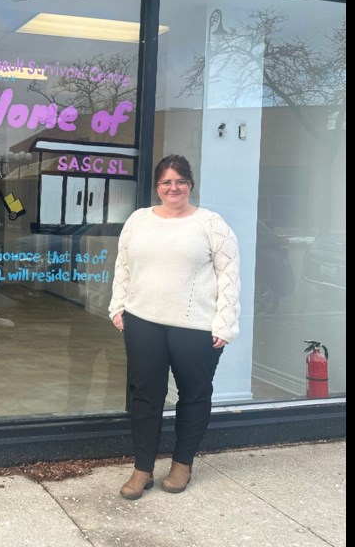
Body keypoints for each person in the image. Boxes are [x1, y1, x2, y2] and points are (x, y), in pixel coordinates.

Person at [108, 154, 240, 500]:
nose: (173, 187)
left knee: (193, 395)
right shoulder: (138, 220)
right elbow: (123, 265)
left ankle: (182, 464)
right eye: (166, 181)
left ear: (190, 185)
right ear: (157, 187)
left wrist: (225, 322)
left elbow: (229, 276)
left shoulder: (211, 224)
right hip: (143, 322)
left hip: (195, 326)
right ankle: (143, 468)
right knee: (145, 397)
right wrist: (118, 306)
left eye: (180, 181)